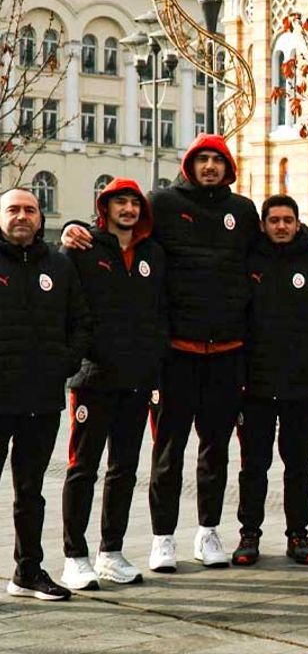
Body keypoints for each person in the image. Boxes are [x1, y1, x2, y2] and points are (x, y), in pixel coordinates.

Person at [63, 134, 299, 572]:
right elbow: (123, 232)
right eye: (202, 159)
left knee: (215, 449)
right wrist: (74, 227)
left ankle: (208, 532)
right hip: (176, 354)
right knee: (168, 450)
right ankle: (162, 538)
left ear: (228, 167)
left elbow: (276, 240)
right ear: (190, 164)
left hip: (227, 352)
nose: (210, 166)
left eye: (217, 160)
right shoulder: (164, 203)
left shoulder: (242, 210)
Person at [60, 179, 166, 591]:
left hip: (136, 380)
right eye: (120, 202)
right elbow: (68, 307)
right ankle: (74, 556)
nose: (128, 209)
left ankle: (111, 552)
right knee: (82, 468)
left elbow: (160, 310)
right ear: (105, 208)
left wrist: (153, 359)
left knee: (124, 469)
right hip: (93, 378)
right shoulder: (83, 248)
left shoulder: (153, 253)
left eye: (134, 203)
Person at [232, 195, 308, 566]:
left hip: (303, 384)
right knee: (254, 466)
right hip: (256, 385)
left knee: (299, 467)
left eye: (288, 220)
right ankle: (249, 534)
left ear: (298, 224)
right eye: (274, 220)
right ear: (263, 224)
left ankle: (298, 535)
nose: (281, 226)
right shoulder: (249, 260)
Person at [0, 188, 90, 601]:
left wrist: (65, 363)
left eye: (30, 210)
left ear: (39, 218)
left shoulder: (59, 264)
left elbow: (81, 321)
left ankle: (28, 571)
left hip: (41, 397)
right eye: (13, 209)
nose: (22, 216)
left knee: (30, 492)